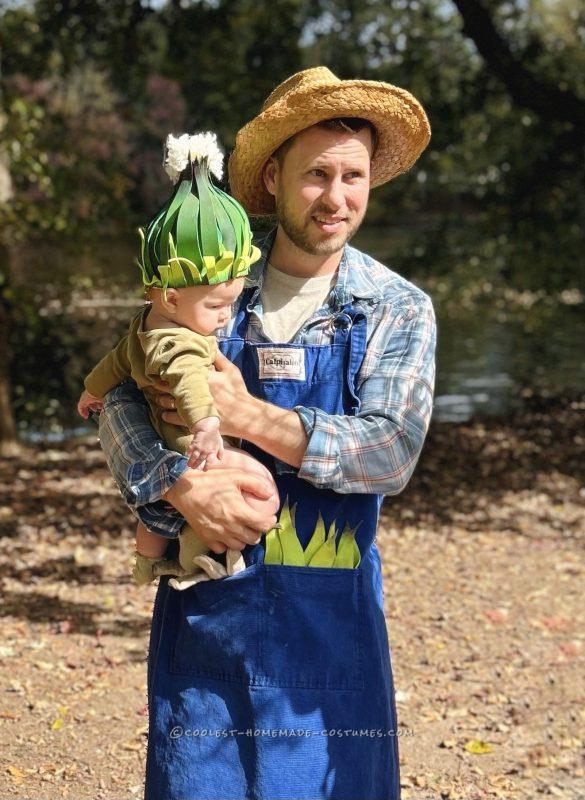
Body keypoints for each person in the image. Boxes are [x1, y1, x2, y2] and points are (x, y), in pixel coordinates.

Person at [97, 67, 437, 800]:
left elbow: (389, 453)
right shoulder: (213, 277)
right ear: (274, 175)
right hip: (206, 619)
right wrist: (176, 485)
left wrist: (251, 417)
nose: (337, 198)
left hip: (331, 629)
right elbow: (122, 395)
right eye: (317, 175)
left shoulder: (394, 309)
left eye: (353, 176)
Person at [77, 131, 280, 587]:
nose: (226, 316)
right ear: (169, 295)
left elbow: (115, 363)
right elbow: (190, 382)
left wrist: (91, 390)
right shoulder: (182, 342)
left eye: (231, 302)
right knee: (258, 491)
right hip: (189, 444)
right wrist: (208, 424)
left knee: (153, 517)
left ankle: (147, 561)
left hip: (160, 438)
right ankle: (199, 561)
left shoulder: (144, 325)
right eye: (215, 307)